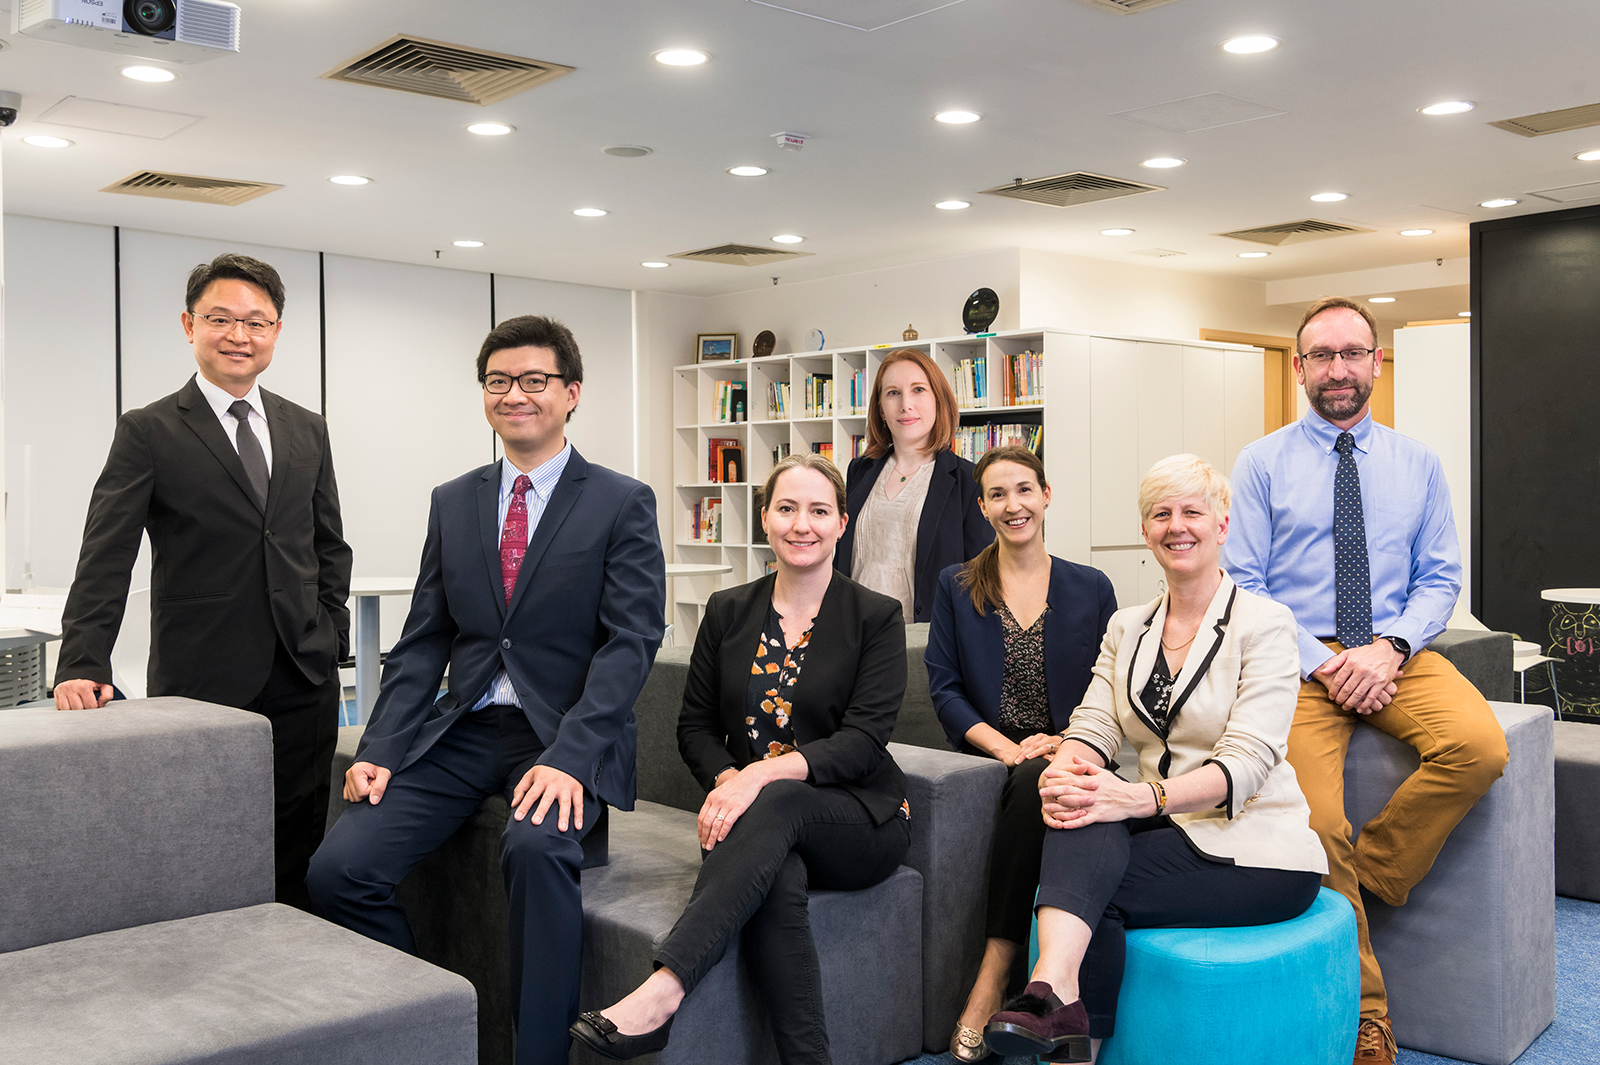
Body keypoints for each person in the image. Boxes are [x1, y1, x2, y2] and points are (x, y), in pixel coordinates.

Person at [306, 315, 665, 1065]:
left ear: (571, 394)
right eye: (499, 381)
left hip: (561, 733)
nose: (515, 394)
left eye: (535, 380)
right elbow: (425, 637)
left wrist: (571, 757)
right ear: (484, 395)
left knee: (535, 849)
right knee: (338, 871)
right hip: (463, 727)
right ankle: (439, 1027)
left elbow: (630, 643)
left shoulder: (620, 501)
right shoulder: (454, 499)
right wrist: (380, 747)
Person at [1225, 296, 1508, 1065]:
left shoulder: (1417, 462)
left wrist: (1388, 647)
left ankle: (1372, 873)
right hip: (1297, 658)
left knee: (1479, 746)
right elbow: (1245, 583)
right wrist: (1328, 662)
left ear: (1377, 363)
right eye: (1323, 355)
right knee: (1313, 821)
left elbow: (1440, 576)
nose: (1339, 368)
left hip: (1397, 653)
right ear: (1300, 368)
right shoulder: (1261, 462)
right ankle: (1368, 1014)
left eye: (1353, 353)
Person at [982, 454, 1327, 1063]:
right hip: (1167, 827)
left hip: (1255, 846)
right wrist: (1070, 765)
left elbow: (1245, 763)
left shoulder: (1268, 625)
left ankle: (1066, 1024)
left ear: (1222, 526)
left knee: (1094, 885)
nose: (1177, 526)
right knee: (1079, 804)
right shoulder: (1128, 627)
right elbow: (1094, 722)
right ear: (1146, 532)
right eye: (1160, 514)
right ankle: (1055, 999)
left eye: (1193, 511)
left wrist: (1139, 797)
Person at [570, 453, 910, 1065]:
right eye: (786, 508)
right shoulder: (727, 610)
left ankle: (665, 989)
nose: (801, 524)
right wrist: (730, 780)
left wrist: (758, 775)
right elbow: (694, 726)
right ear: (764, 518)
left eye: (818, 511)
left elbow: (862, 742)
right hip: (752, 821)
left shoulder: (876, 617)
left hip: (859, 820)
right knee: (774, 879)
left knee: (776, 801)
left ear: (841, 523)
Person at [54, 253, 352, 912]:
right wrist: (82, 659)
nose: (239, 335)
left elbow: (328, 543)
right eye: (221, 319)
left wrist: (332, 635)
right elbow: (107, 552)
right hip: (203, 676)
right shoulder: (150, 429)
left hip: (303, 674)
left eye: (256, 321)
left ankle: (298, 977)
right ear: (190, 325)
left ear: (277, 330)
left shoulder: (307, 427)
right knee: (201, 843)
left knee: (298, 840)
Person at [924, 445, 1116, 1062]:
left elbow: (1109, 686)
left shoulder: (1091, 587)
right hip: (994, 755)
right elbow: (945, 691)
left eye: (1025, 490)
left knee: (1053, 779)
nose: (1014, 505)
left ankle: (998, 973)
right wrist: (1010, 750)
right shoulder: (957, 587)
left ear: (1046, 495)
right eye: (999, 495)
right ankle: (1014, 977)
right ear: (983, 507)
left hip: (1078, 746)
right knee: (1034, 778)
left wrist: (1067, 740)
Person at [834, 347, 993, 622]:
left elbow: (980, 582)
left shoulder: (971, 481)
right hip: (854, 634)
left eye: (918, 390)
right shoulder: (859, 470)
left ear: (938, 401)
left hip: (924, 642)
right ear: (881, 409)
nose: (905, 404)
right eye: (893, 392)